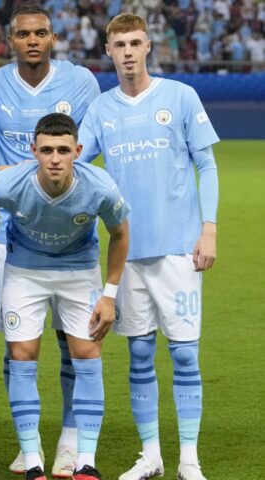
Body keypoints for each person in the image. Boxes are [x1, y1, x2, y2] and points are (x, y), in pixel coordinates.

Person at [77, 13, 219, 480]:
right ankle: (152, 456)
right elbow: (77, 165)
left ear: (149, 45)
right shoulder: (100, 109)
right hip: (128, 254)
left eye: (135, 42)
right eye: (119, 44)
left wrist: (209, 229)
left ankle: (190, 460)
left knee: (184, 353)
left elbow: (206, 164)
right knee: (138, 354)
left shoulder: (180, 96)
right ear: (109, 50)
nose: (128, 52)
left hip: (179, 248)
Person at [0, 5, 101, 476]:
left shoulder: (82, 82)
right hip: (15, 237)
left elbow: (85, 148)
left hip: (73, 235)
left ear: (54, 38)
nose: (33, 40)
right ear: (10, 39)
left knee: (74, 343)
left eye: (41, 33)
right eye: (24, 33)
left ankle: (70, 440)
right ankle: (27, 443)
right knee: (18, 345)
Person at [0, 113, 130, 480]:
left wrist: (109, 295)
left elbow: (121, 234)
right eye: (46, 149)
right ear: (32, 150)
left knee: (87, 353)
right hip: (24, 273)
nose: (54, 158)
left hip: (79, 272)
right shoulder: (8, 184)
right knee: (22, 354)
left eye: (63, 150)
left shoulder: (100, 187)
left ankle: (86, 461)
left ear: (77, 151)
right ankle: (32, 461)